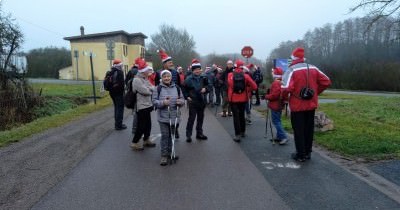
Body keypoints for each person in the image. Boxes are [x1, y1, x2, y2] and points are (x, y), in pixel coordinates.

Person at [281, 47, 331, 161]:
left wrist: (284, 100)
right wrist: (315, 93)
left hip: (297, 105)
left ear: (293, 58)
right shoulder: (313, 67)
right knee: (309, 129)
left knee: (298, 130)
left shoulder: (291, 70)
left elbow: (285, 88)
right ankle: (308, 153)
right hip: (311, 104)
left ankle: (300, 154)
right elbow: (327, 81)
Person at [152, 70, 185, 166]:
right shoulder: (157, 88)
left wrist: (181, 102)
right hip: (163, 117)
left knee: (172, 136)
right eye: (164, 76)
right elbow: (154, 101)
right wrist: (163, 103)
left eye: (168, 76)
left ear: (171, 77)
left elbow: (182, 99)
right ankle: (164, 155)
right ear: (161, 78)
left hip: (175, 116)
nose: (166, 78)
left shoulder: (177, 88)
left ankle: (171, 152)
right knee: (165, 136)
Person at [227, 59, 257, 142]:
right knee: (241, 115)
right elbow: (255, 87)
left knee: (235, 117)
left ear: (235, 66)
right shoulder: (246, 76)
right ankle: (243, 132)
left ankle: (237, 135)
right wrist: (247, 89)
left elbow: (229, 85)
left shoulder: (230, 75)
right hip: (243, 99)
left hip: (233, 99)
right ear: (242, 67)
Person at [130, 58, 157, 150]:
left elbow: (152, 87)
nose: (149, 72)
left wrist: (150, 89)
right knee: (141, 125)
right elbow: (146, 91)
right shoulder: (137, 80)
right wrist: (150, 90)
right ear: (143, 71)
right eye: (147, 70)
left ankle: (146, 139)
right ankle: (135, 142)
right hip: (141, 106)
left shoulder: (144, 78)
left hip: (147, 105)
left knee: (148, 124)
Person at [182, 59, 209, 142]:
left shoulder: (204, 77)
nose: (197, 71)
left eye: (198, 69)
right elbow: (183, 88)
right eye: (195, 69)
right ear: (192, 70)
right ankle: (188, 135)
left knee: (200, 118)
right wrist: (187, 97)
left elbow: (209, 86)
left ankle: (199, 134)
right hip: (193, 101)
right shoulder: (188, 79)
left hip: (201, 101)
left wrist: (206, 89)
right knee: (192, 119)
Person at [265, 67, 288, 145]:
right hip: (279, 104)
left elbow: (275, 95)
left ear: (275, 74)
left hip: (275, 105)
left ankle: (283, 137)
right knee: (278, 120)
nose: (272, 74)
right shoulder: (281, 82)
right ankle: (279, 136)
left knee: (276, 121)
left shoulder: (276, 83)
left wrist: (267, 96)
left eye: (273, 72)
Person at [108, 59, 127, 130]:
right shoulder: (119, 72)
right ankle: (119, 125)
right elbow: (121, 84)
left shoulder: (110, 72)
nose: (122, 67)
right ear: (119, 65)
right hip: (118, 93)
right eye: (121, 65)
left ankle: (117, 123)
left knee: (116, 108)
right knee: (120, 108)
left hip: (112, 93)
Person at [125, 61, 139, 135]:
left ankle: (134, 129)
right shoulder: (138, 72)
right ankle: (135, 129)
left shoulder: (130, 71)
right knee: (137, 113)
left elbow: (126, 81)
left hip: (131, 94)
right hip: (136, 95)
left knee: (135, 111)